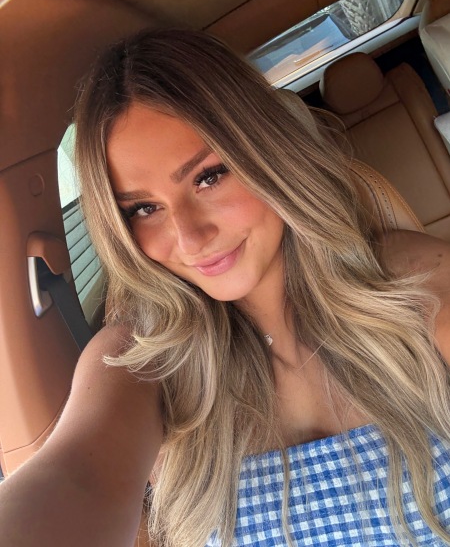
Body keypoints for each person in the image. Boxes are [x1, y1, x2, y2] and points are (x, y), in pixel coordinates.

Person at [1, 28, 450, 547]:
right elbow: (77, 479)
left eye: (209, 176)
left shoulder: (407, 282)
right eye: (143, 208)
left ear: (269, 153)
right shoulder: (146, 361)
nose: (189, 238)